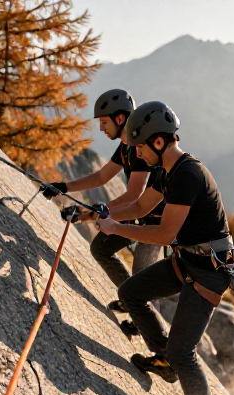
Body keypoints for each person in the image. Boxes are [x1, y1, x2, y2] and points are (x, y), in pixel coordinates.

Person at [95, 101, 232, 395]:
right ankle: (163, 358)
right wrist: (102, 214)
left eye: (139, 145)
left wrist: (116, 228)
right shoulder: (168, 170)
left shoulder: (186, 175)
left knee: (184, 351)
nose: (135, 152)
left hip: (209, 272)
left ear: (157, 142)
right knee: (131, 292)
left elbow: (164, 234)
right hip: (190, 261)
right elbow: (142, 207)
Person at [40, 89, 164, 336]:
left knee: (142, 277)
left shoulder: (139, 148)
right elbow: (102, 176)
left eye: (104, 122)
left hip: (154, 221)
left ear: (120, 119)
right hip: (137, 215)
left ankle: (147, 325)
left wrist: (95, 213)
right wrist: (64, 187)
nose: (101, 129)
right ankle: (133, 301)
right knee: (101, 248)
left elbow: (135, 195)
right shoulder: (125, 147)